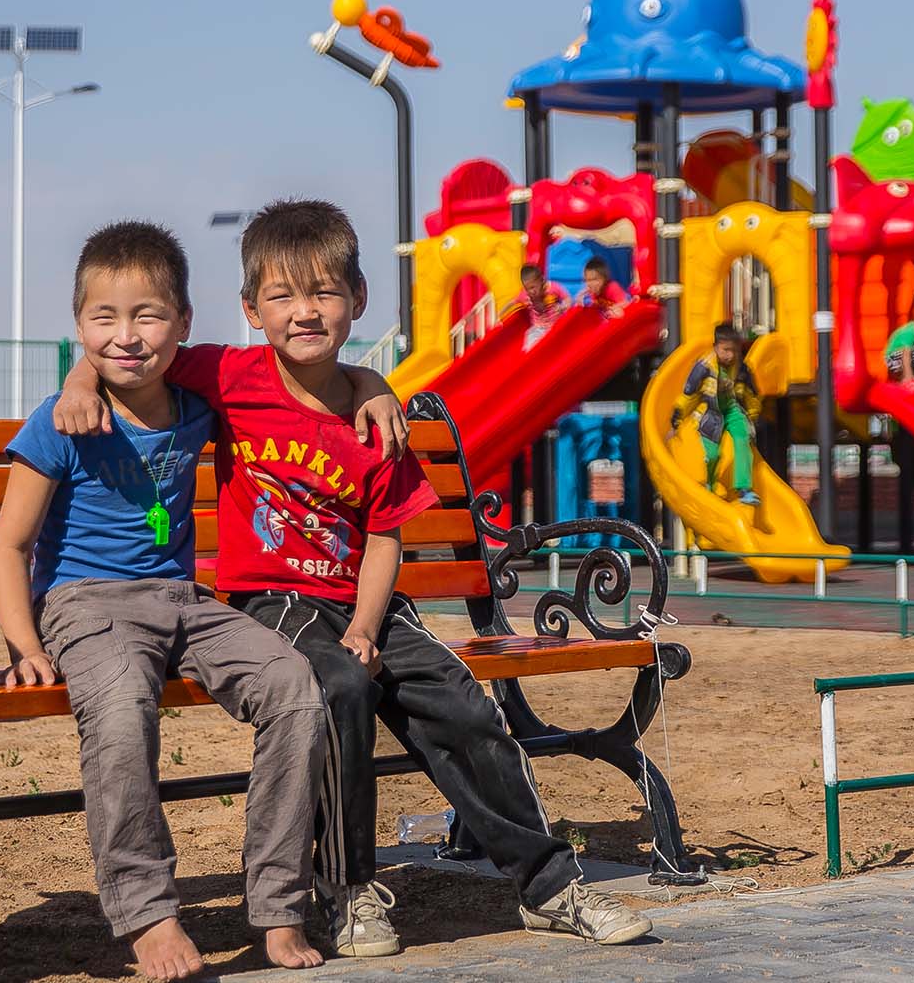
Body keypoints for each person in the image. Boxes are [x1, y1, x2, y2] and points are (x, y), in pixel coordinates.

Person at [58, 200, 654, 959]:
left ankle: (547, 884)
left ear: (358, 300)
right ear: (250, 310)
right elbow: (132, 343)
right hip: (271, 602)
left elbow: (384, 538)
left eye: (324, 294)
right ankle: (347, 892)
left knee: (459, 701)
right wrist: (80, 379)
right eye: (282, 297)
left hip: (365, 601)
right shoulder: (231, 373)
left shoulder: (378, 421)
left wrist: (371, 624)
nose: (304, 313)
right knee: (336, 685)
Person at [0, 221, 335, 981]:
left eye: (147, 315)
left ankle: (279, 905)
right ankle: (146, 913)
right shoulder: (62, 421)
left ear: (183, 323)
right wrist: (24, 645)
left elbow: (307, 375)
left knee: (295, 689)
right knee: (119, 712)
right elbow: (8, 549)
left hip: (184, 599)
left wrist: (373, 389)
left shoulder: (197, 405)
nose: (127, 336)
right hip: (87, 606)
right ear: (79, 326)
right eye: (103, 319)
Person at [672, 322, 762, 506]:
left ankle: (744, 488)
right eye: (725, 350)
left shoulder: (742, 368)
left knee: (742, 437)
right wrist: (678, 415)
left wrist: (752, 415)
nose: (730, 355)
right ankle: (710, 484)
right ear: (715, 347)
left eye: (734, 350)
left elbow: (751, 394)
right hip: (712, 413)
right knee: (713, 455)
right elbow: (689, 394)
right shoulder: (704, 367)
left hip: (732, 410)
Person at [513, 264, 570, 349]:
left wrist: (562, 307)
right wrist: (499, 317)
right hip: (539, 328)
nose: (531, 291)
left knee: (562, 339)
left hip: (556, 325)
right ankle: (530, 356)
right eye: (527, 288)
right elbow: (513, 302)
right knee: (530, 338)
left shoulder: (553, 288)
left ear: (542, 281)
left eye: (533, 287)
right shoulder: (526, 295)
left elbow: (568, 299)